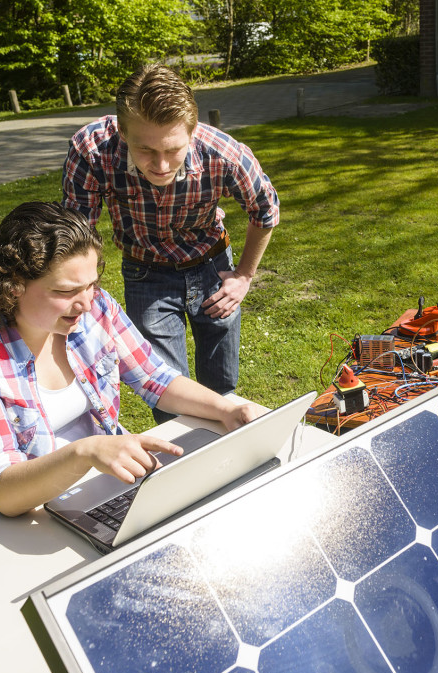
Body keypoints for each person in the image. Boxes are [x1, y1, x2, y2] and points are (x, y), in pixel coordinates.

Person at [0, 201, 261, 520]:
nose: (86, 303)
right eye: (65, 292)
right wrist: (85, 453)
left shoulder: (94, 306)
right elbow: (2, 491)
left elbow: (154, 377)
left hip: (96, 488)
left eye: (92, 285)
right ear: (11, 285)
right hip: (3, 520)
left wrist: (227, 410)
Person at [62, 61, 280, 422]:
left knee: (222, 391)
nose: (161, 165)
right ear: (122, 132)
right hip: (145, 273)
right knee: (167, 397)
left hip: (213, 267)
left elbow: (266, 210)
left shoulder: (224, 154)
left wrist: (243, 276)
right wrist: (87, 296)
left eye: (173, 150)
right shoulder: (92, 151)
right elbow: (77, 234)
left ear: (192, 133)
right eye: (145, 150)